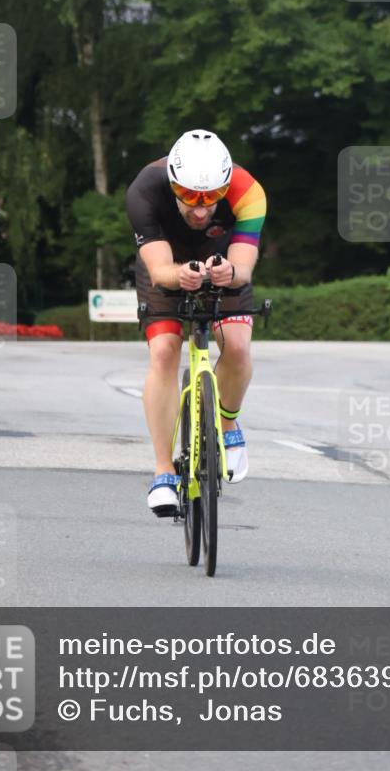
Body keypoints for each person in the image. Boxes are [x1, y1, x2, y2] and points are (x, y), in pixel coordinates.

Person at [126, 129, 267, 514]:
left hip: (223, 260)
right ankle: (162, 472)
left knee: (236, 346)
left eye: (212, 197)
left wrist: (230, 272)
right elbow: (158, 269)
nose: (201, 209)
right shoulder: (145, 190)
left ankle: (226, 423)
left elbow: (244, 267)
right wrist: (178, 275)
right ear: (173, 183)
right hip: (168, 264)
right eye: (189, 196)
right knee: (165, 353)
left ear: (226, 185)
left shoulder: (248, 191)